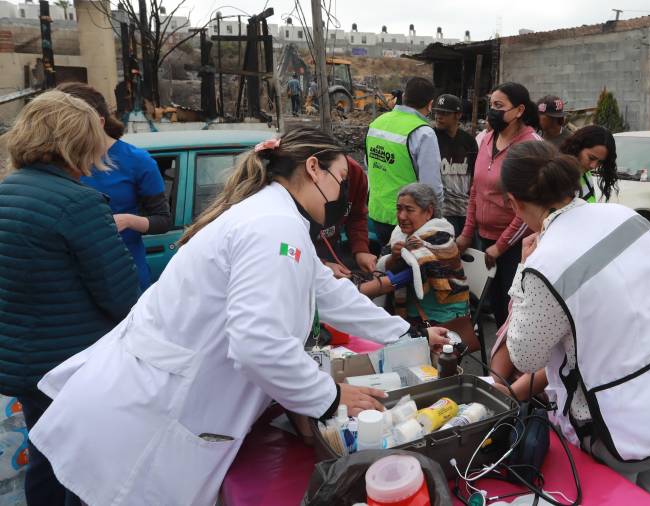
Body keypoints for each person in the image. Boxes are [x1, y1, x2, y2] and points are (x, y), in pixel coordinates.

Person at [28, 128, 450, 505]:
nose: (343, 196)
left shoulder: (275, 220)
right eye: (341, 181)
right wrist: (330, 398)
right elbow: (257, 344)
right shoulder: (273, 228)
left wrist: (407, 333)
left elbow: (331, 293)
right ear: (313, 169)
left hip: (133, 401)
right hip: (145, 417)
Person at [499, 141, 650, 505]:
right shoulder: (626, 217)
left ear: (513, 202)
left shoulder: (542, 265)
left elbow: (524, 356)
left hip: (620, 432)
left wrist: (521, 269)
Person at [0, 91, 141, 506]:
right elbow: (121, 295)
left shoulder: (7, 192)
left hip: (22, 362)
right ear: (79, 144)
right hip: (71, 368)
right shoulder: (79, 204)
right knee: (85, 470)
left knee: (44, 455)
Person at [58, 82, 172, 290]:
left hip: (124, 272)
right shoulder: (59, 160)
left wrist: (127, 221)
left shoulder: (137, 160)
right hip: (72, 275)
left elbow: (162, 220)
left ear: (99, 122)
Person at [456, 82, 543, 326]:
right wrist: (466, 233)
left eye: (499, 105)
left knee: (512, 309)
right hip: (485, 239)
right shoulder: (485, 139)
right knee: (493, 306)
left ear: (519, 110)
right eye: (490, 105)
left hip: (515, 245)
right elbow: (476, 190)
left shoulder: (531, 147)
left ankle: (515, 362)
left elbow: (528, 206)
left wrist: (501, 246)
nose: (492, 111)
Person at [358, 184, 470, 332]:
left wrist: (354, 292)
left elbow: (397, 278)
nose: (402, 216)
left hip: (443, 318)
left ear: (429, 212)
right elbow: (384, 264)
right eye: (399, 209)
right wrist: (393, 257)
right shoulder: (400, 234)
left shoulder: (439, 239)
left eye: (409, 210)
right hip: (415, 310)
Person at [366, 77, 443, 247]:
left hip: (377, 213)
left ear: (404, 96)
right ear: (430, 104)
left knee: (387, 263)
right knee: (409, 268)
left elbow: (369, 165)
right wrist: (437, 222)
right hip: (407, 219)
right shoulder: (423, 133)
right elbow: (431, 187)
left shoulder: (377, 123)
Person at [314, 156, 377, 275]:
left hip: (331, 246)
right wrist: (320, 265)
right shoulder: (291, 183)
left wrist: (361, 250)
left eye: (345, 178)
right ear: (312, 168)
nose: (343, 183)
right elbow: (285, 249)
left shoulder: (355, 173)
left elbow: (356, 215)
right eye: (341, 177)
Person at [432, 93, 478, 236]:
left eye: (445, 113)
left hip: (465, 210)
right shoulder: (431, 137)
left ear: (458, 115)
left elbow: (474, 175)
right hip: (442, 210)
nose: (439, 116)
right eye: (437, 112)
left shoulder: (468, 141)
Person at [559, 125, 618, 203]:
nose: (593, 166)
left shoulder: (585, 174)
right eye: (591, 158)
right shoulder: (557, 175)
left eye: (600, 162)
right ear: (578, 147)